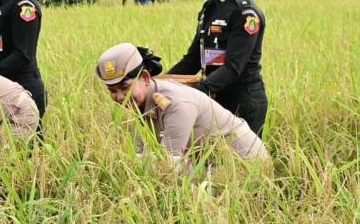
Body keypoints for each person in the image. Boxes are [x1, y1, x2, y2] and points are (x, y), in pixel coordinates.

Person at [95, 43, 268, 168]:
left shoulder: (176, 104)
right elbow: (144, 149)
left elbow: (169, 163)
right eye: (112, 90)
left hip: (244, 165)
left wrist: (124, 163)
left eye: (125, 87)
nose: (120, 97)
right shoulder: (141, 101)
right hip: (209, 163)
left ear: (146, 78)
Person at [167, 0, 268, 136]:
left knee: (242, 165)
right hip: (213, 98)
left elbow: (233, 67)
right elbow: (193, 60)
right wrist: (161, 83)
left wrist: (195, 93)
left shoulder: (244, 13)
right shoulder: (210, 8)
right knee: (210, 163)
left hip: (242, 101)